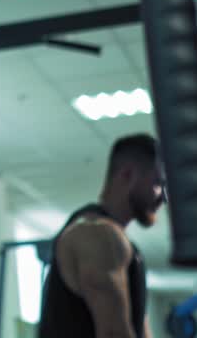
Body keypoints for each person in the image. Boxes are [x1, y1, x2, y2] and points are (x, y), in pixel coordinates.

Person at [37, 133, 168, 338]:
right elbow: (114, 334)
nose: (163, 197)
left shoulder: (122, 245)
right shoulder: (98, 235)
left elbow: (139, 329)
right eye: (157, 184)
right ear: (127, 175)